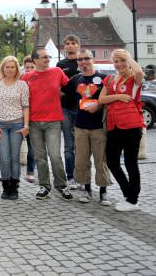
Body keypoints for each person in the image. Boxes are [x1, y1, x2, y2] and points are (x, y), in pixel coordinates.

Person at [21, 48, 73, 200]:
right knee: (40, 157)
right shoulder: (26, 77)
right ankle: (45, 186)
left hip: (53, 121)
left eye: (48, 56)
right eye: (44, 57)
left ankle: (62, 186)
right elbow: (21, 99)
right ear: (35, 60)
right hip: (34, 123)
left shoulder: (57, 72)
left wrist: (60, 95)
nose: (47, 59)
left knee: (55, 156)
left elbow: (69, 88)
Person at [98, 49, 145, 212]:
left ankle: (133, 200)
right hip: (114, 125)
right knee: (112, 161)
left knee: (131, 162)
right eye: (116, 61)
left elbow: (139, 71)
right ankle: (129, 194)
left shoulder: (134, 78)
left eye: (122, 61)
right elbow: (101, 99)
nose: (119, 64)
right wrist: (117, 96)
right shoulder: (110, 78)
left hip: (131, 125)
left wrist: (128, 56)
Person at [66, 49, 111, 205]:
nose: (83, 62)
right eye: (80, 59)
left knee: (101, 160)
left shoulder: (104, 78)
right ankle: (86, 190)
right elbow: (65, 97)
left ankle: (104, 192)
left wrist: (98, 106)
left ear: (93, 60)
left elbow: (109, 100)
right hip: (80, 126)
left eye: (86, 58)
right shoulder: (75, 80)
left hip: (99, 126)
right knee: (82, 160)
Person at [0, 56, 30, 200]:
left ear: (17, 69)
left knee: (15, 157)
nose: (10, 69)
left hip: (17, 125)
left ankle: (15, 187)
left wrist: (26, 126)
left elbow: (26, 107)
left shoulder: (22, 85)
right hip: (0, 126)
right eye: (7, 67)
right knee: (4, 157)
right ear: (3, 68)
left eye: (13, 67)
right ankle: (6, 187)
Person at [57, 34, 81, 190]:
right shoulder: (60, 64)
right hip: (65, 108)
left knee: (82, 145)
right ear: (64, 47)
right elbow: (56, 87)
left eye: (73, 43)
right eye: (68, 43)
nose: (70, 46)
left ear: (78, 45)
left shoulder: (83, 61)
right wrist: (65, 94)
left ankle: (81, 176)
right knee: (68, 145)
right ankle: (70, 177)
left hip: (82, 109)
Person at [22, 55, 36, 183]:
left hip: (33, 118)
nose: (29, 69)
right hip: (18, 118)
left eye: (32, 67)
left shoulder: (38, 80)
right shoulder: (20, 80)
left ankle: (30, 171)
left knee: (32, 147)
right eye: (27, 67)